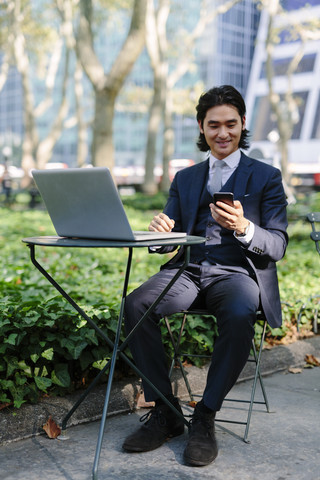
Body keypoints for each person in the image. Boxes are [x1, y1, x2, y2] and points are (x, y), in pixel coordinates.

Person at [122, 85, 288, 466]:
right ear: (202, 126)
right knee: (137, 304)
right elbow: (170, 238)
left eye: (231, 124)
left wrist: (246, 228)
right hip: (189, 270)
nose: (223, 133)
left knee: (239, 311)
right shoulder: (187, 177)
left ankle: (205, 415)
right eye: (214, 125)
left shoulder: (266, 176)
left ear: (243, 123)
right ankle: (166, 413)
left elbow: (278, 244)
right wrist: (160, 235)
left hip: (237, 273)